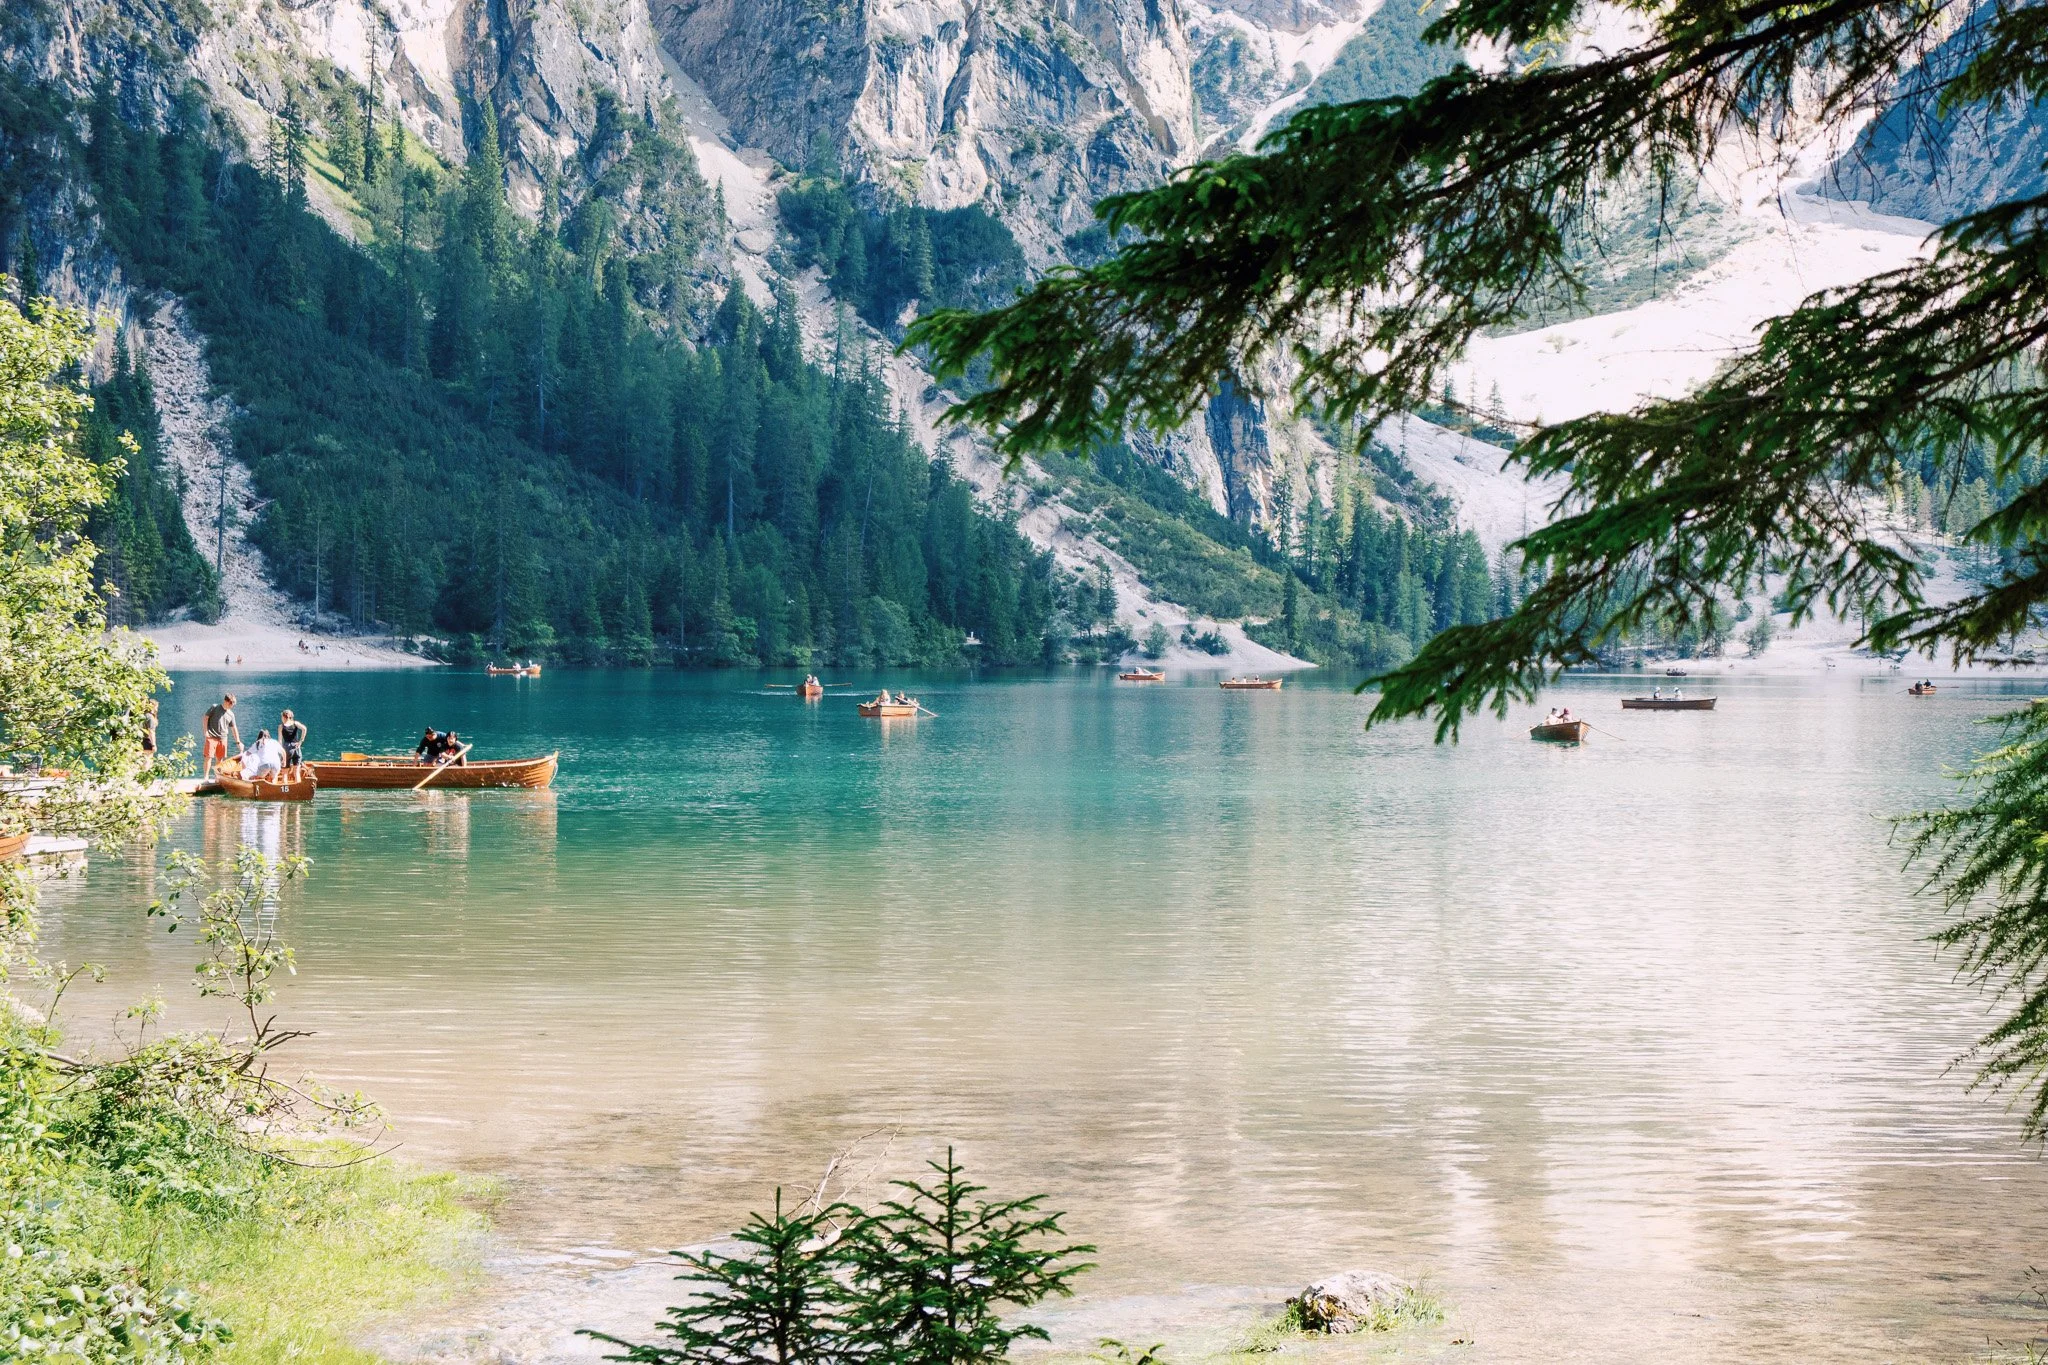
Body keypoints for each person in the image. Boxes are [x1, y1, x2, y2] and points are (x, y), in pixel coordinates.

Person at [201, 694, 241, 780]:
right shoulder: (214, 707)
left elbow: (234, 728)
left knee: (220, 759)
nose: (232, 706)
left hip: (223, 739)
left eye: (233, 704)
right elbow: (205, 718)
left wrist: (238, 741)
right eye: (231, 703)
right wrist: (206, 732)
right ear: (225, 701)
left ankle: (217, 777)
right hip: (211, 736)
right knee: (208, 757)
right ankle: (206, 777)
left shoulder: (231, 714)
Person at [278, 709, 307, 778]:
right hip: (296, 747)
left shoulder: (281, 726)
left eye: (281, 717)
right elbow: (304, 729)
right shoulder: (295, 723)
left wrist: (281, 752)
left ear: (284, 717)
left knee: (285, 773)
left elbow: (280, 740)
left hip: (287, 748)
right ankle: (298, 784)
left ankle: (285, 784)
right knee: (296, 772)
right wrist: (301, 741)